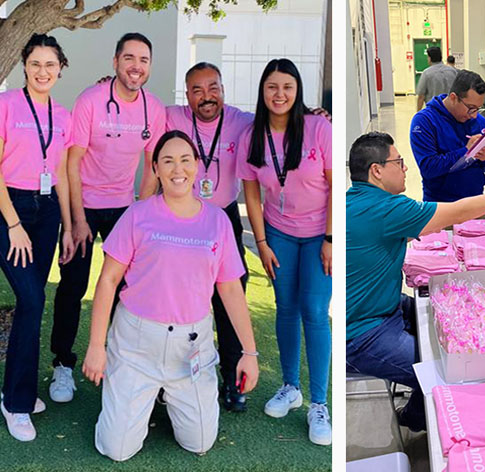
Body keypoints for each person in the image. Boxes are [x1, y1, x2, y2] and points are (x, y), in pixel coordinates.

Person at [346, 132, 485, 432]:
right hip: (363, 333)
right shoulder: (386, 209)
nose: (405, 168)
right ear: (376, 170)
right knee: (448, 370)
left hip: (382, 306)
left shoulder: (360, 201)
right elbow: (459, 212)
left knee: (450, 318)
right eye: (398, 162)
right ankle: (416, 418)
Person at [81, 131, 258, 461]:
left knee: (200, 442)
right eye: (168, 161)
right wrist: (95, 346)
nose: (178, 169)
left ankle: (163, 397)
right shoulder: (137, 215)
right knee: (116, 449)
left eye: (185, 160)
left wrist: (249, 352)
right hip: (137, 344)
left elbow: (231, 288)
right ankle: (134, 394)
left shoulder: (217, 221)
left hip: (191, 345)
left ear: (196, 167)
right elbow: (107, 282)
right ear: (156, 170)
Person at [49, 32, 167, 404]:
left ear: (149, 66)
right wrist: (76, 221)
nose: (136, 66)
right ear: (115, 62)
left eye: (143, 60)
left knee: (129, 291)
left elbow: (153, 164)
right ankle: (63, 365)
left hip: (125, 209)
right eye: (129, 58)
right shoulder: (91, 100)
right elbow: (72, 162)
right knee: (73, 286)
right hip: (86, 204)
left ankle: (121, 363)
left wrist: (140, 211)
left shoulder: (154, 108)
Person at [238, 58, 332, 445]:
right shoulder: (252, 135)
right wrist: (261, 242)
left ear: (298, 91)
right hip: (278, 235)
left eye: (287, 87)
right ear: (263, 91)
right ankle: (290, 387)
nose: (280, 95)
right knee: (286, 309)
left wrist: (329, 240)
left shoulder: (318, 127)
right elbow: (251, 191)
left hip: (318, 236)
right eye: (272, 87)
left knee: (313, 311)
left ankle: (318, 403)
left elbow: (331, 185)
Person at [164, 62, 253, 412]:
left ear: (223, 88)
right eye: (197, 90)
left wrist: (314, 113)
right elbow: (135, 102)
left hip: (224, 216)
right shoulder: (171, 117)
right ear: (187, 95)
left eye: (212, 87)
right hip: (183, 217)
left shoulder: (242, 120)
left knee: (231, 297)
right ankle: (178, 378)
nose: (206, 96)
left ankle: (233, 380)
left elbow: (281, 115)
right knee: (182, 299)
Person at [0, 34, 75, 442]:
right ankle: (16, 402)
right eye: (35, 64)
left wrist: (66, 225)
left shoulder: (62, 115)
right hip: (9, 208)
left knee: (34, 302)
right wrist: (12, 223)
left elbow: (61, 173)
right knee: (31, 299)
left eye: (50, 64)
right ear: (24, 67)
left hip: (46, 212)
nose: (42, 71)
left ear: (60, 67)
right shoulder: (7, 105)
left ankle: (18, 388)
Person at [410, 69, 485, 202]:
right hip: (441, 205)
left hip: (476, 201)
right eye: (471, 108)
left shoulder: (479, 121)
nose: (474, 115)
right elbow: (428, 168)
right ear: (453, 98)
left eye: (478, 108)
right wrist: (466, 151)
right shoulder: (425, 121)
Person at [415, 46, 458, 111]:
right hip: (451, 111)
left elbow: (421, 96)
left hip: (434, 111)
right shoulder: (453, 71)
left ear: (430, 58)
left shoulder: (426, 73)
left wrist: (418, 113)